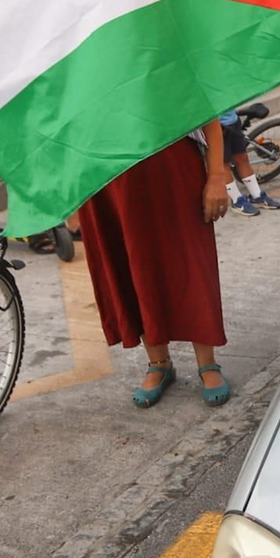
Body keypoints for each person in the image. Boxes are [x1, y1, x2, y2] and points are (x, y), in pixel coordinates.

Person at [79, 120, 233, 408]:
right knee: (131, 264)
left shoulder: (165, 71)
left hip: (173, 168)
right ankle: (158, 363)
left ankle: (207, 363)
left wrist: (215, 176)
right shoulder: (75, 75)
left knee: (191, 263)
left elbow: (209, 117)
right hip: (105, 174)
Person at [218, 108, 280, 215]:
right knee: (224, 163)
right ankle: (236, 201)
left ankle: (256, 196)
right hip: (215, 125)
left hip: (232, 119)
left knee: (242, 158)